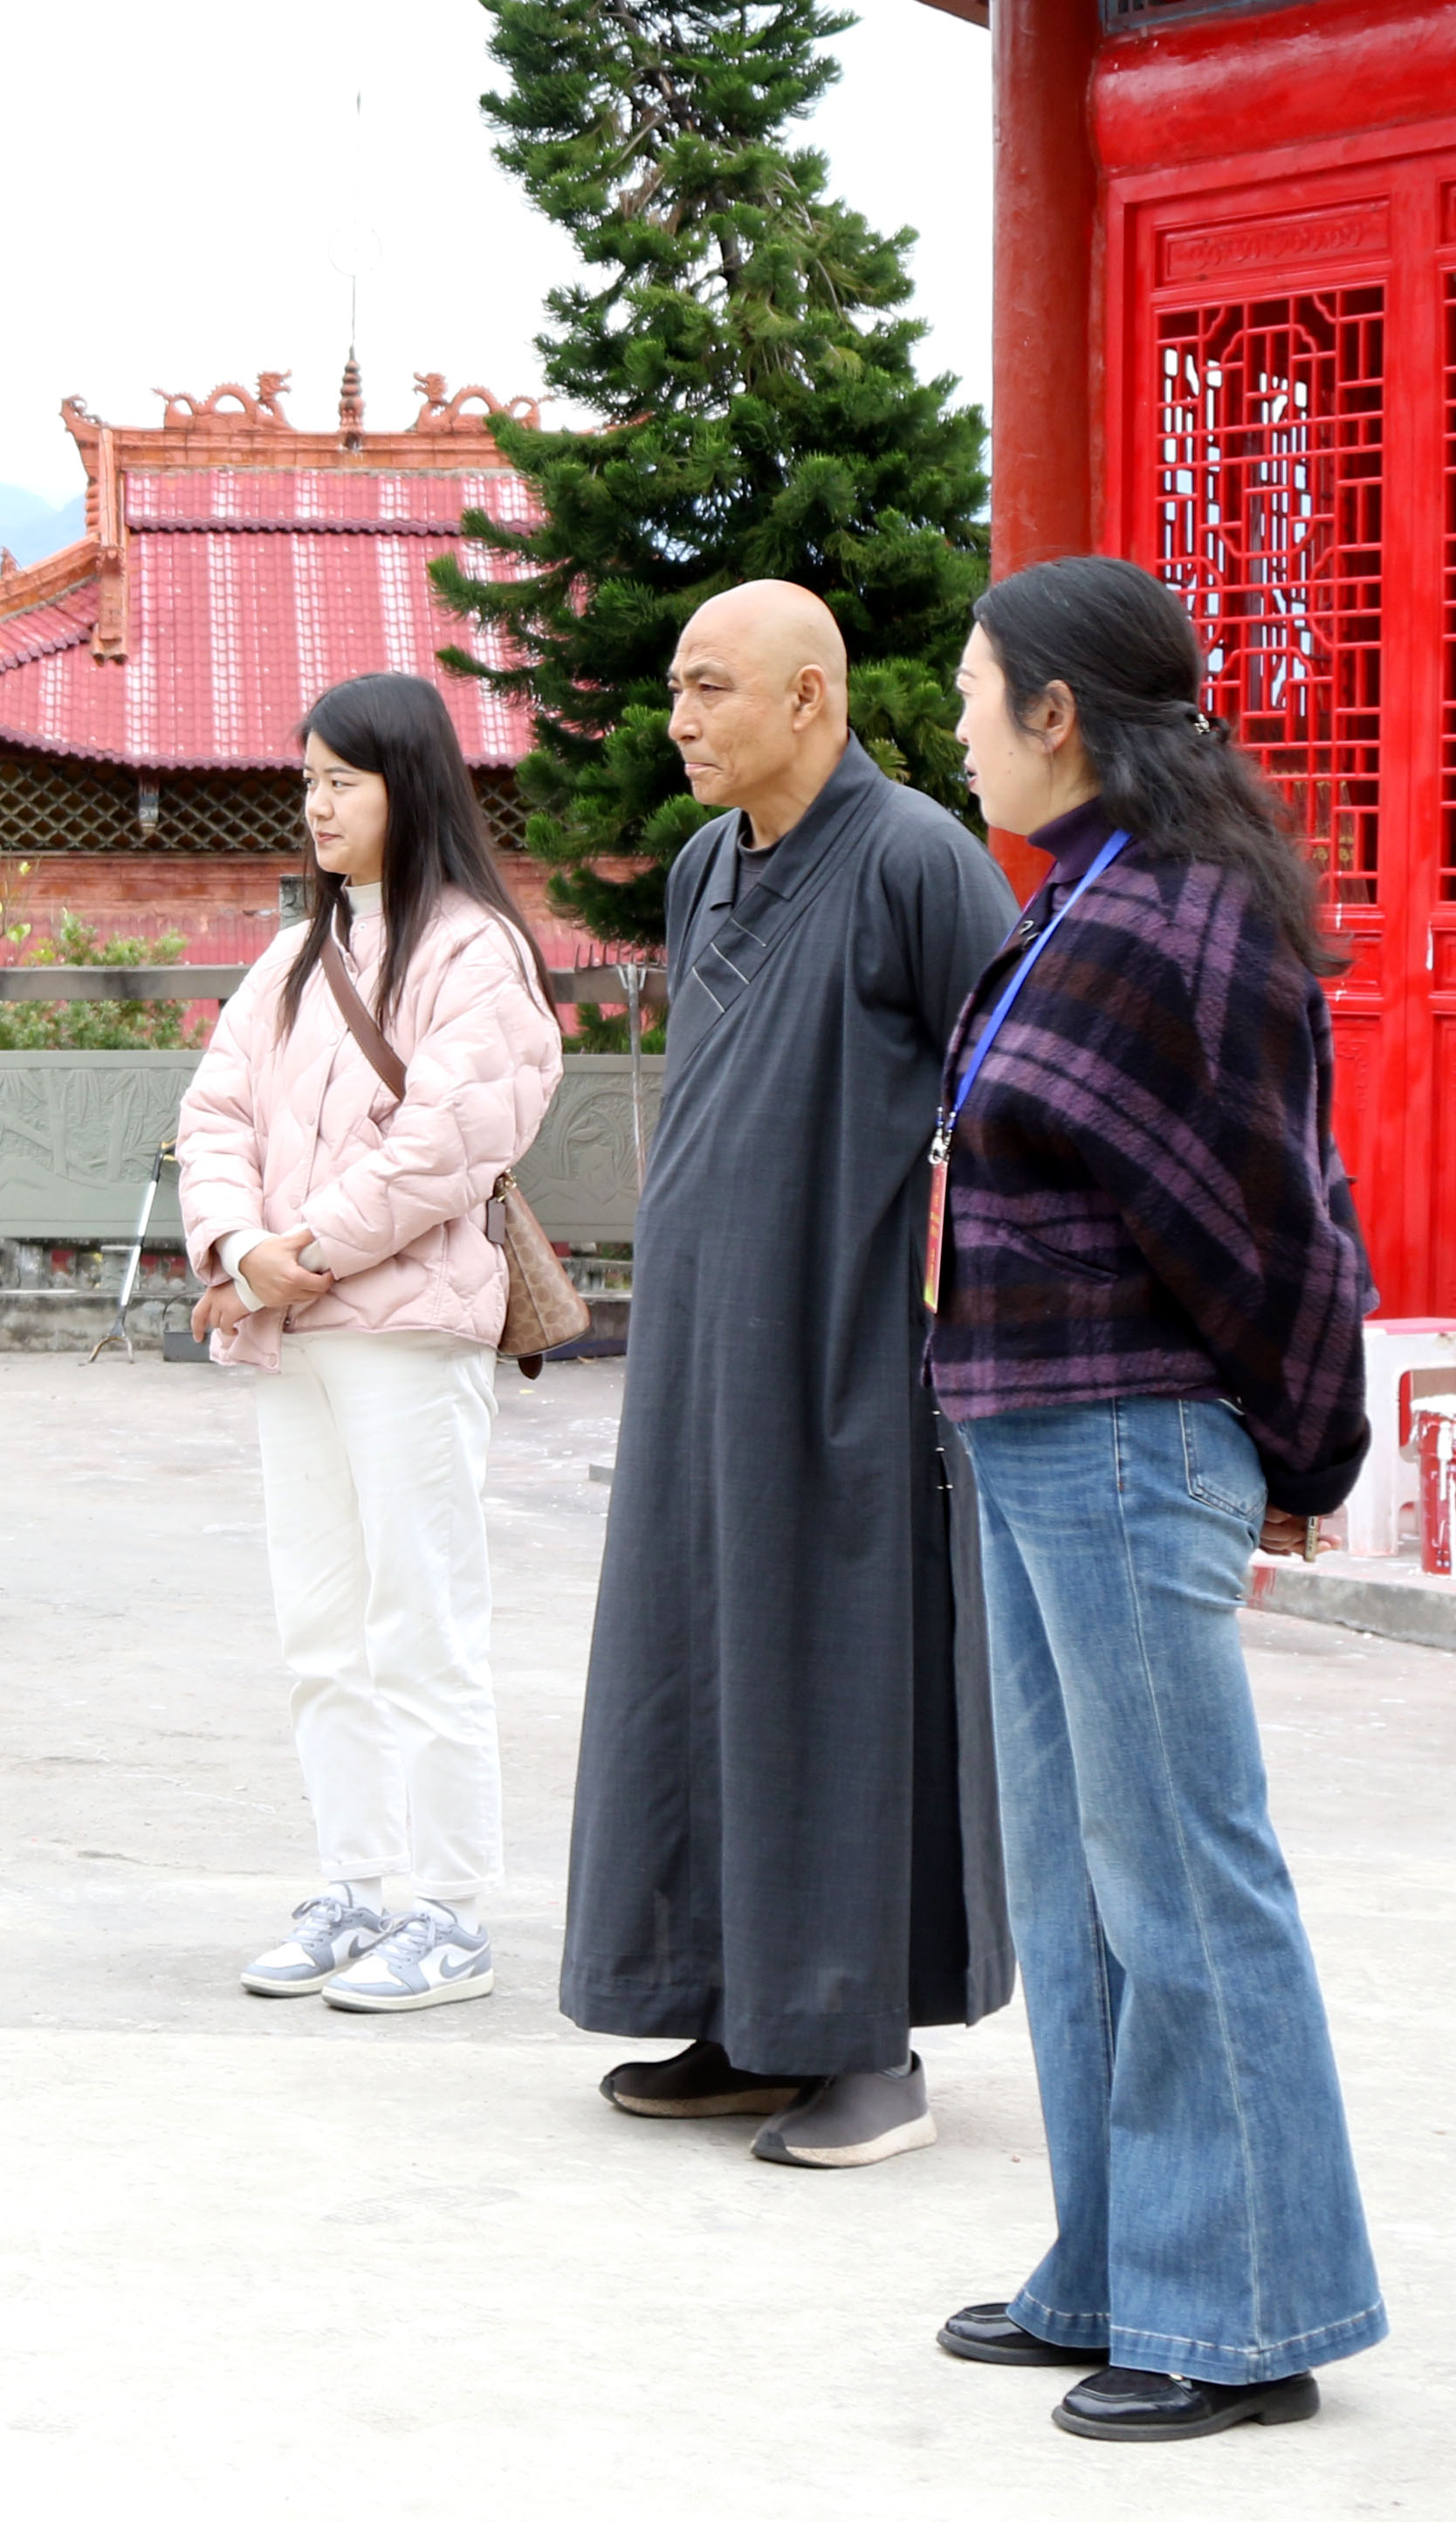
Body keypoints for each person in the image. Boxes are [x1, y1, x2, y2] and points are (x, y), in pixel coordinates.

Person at [923, 555, 1381, 2440]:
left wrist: (1304, 1444)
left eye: (974, 696)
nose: (955, 731)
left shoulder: (1179, 914)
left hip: (1122, 1428)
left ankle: (1245, 2310)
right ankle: (1116, 2264)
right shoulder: (1094, 897)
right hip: (1035, 1425)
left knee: (1183, 1870)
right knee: (1079, 1879)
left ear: (1060, 714)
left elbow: (1270, 1213)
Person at [560, 579, 1020, 2169]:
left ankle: (865, 2041)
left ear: (810, 696)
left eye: (710, 687)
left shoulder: (915, 862)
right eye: (675, 686)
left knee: (840, 1670)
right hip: (703, 1346)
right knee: (699, 1661)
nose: (677, 718)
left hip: (850, 1348)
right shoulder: (704, 867)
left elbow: (1012, 1106)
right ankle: (736, 2011)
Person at [176, 674, 562, 2017]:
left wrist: (299, 1254)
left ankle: (448, 1910)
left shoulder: (475, 956)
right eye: (309, 779)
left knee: (423, 1620)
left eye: (344, 779)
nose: (317, 804)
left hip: (403, 1337)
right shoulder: (293, 961)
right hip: (292, 1334)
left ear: (414, 785)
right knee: (322, 1625)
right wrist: (237, 1249)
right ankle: (354, 1883)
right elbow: (214, 1112)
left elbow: (450, 1145)